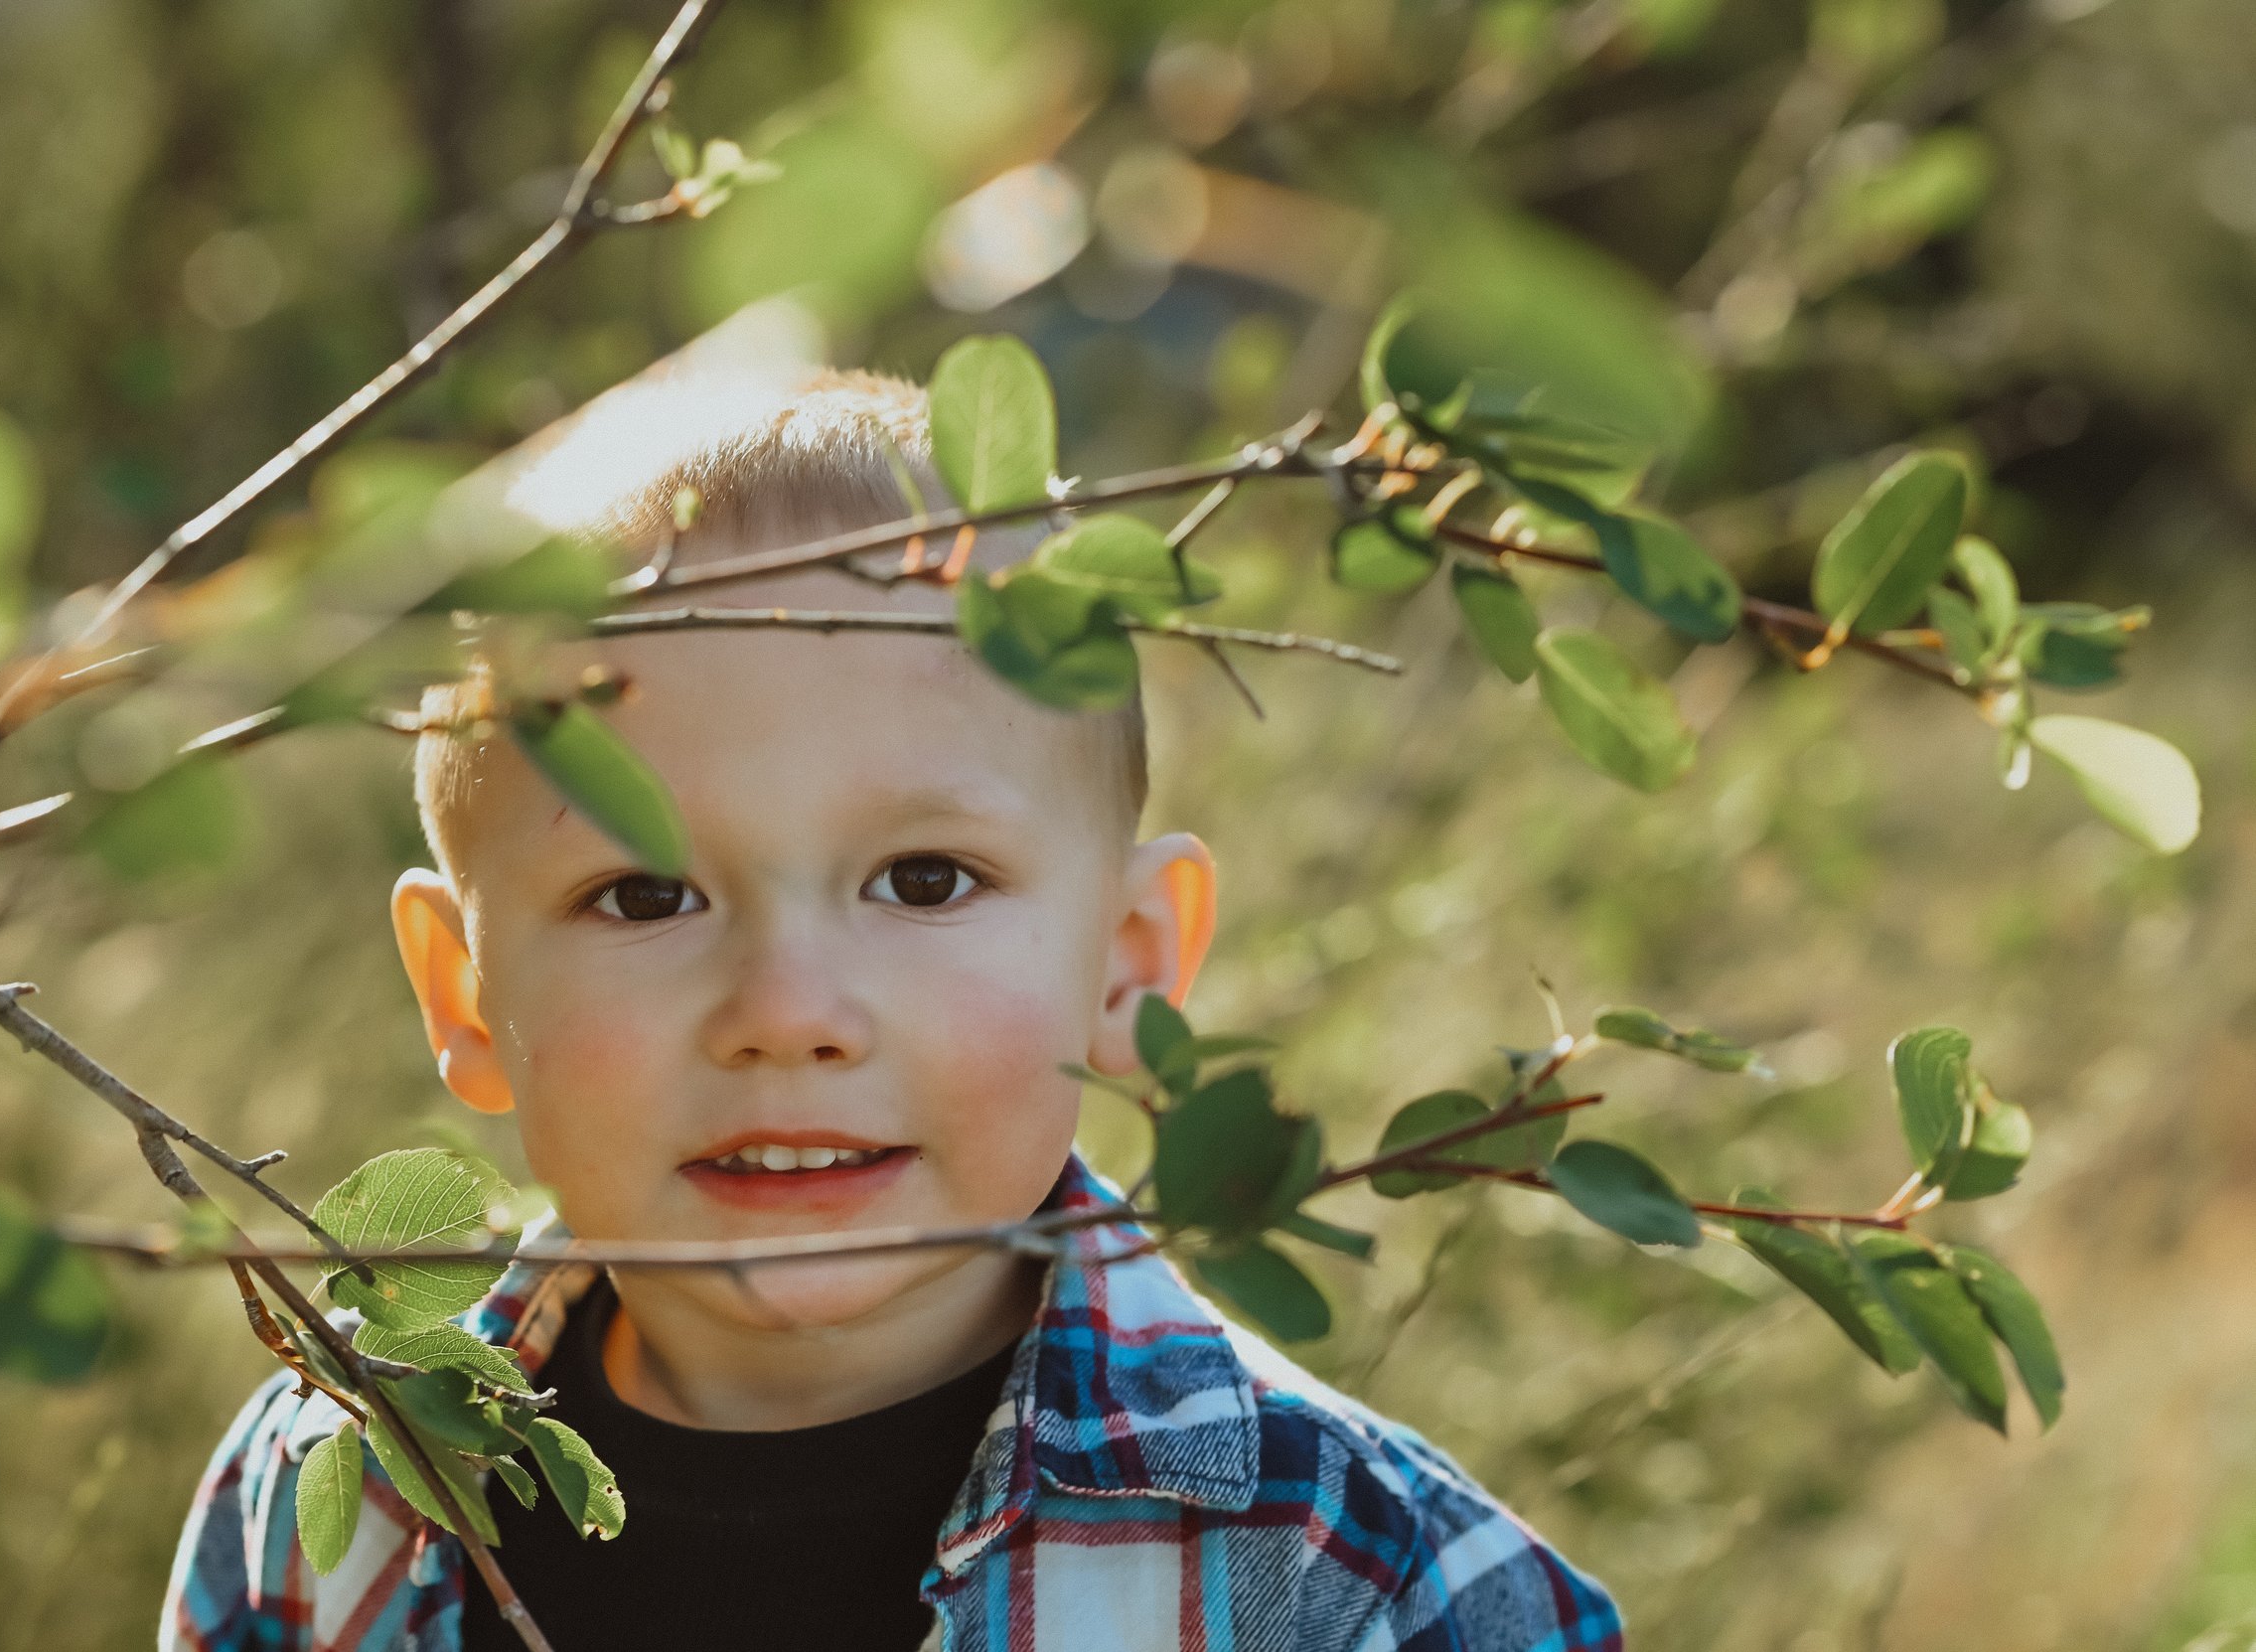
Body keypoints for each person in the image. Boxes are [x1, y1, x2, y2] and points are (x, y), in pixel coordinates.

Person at [160, 353, 1623, 1652]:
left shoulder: (1356, 1585)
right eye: (647, 896)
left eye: (924, 882)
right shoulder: (326, 1503)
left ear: (1125, 965)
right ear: (466, 994)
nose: (788, 1011)